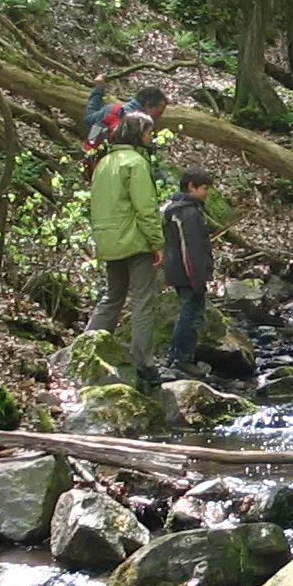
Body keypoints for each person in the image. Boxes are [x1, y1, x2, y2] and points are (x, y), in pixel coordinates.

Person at [87, 113, 167, 388]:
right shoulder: (136, 163)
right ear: (137, 134)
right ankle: (143, 362)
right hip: (135, 240)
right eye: (148, 132)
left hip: (108, 239)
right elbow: (146, 208)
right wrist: (157, 242)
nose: (151, 138)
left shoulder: (104, 163)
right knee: (144, 300)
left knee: (113, 296)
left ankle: (86, 348)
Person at [161, 168, 217, 376]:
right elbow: (190, 249)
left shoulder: (178, 209)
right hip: (187, 273)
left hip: (180, 271)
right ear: (191, 187)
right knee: (191, 314)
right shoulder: (188, 212)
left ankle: (179, 356)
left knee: (191, 312)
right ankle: (181, 358)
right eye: (204, 188)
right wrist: (197, 279)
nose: (207, 193)